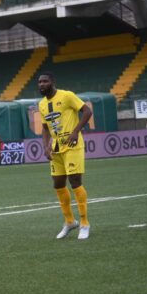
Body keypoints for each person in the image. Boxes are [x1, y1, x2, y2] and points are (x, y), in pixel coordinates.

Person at [37, 71, 93, 240]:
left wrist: (76, 131)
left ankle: (84, 223)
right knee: (58, 184)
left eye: (45, 81)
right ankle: (70, 222)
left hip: (72, 145)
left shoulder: (67, 96)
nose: (41, 84)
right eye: (39, 82)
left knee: (75, 181)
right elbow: (46, 128)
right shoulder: (41, 105)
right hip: (56, 148)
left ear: (52, 82)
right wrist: (46, 146)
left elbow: (87, 111)